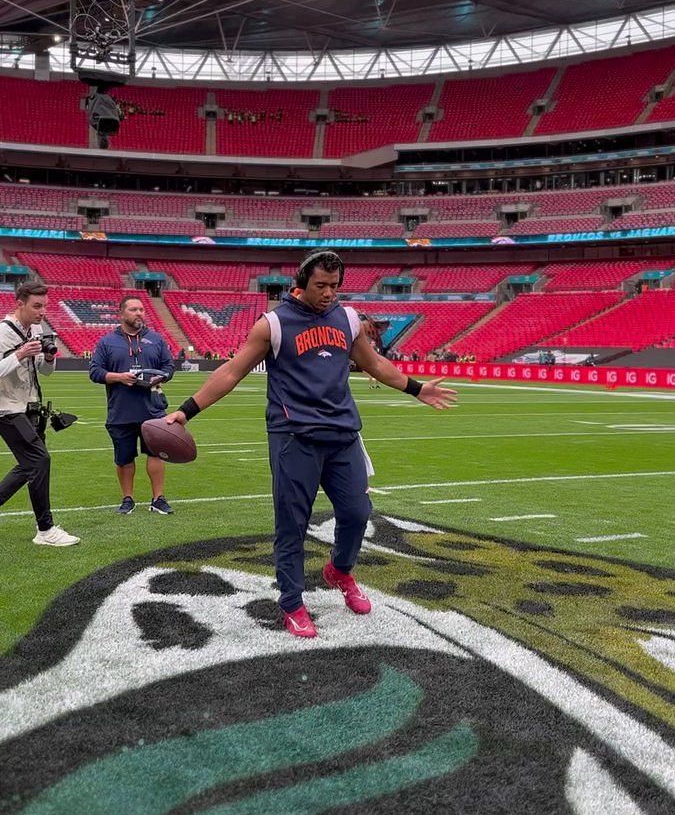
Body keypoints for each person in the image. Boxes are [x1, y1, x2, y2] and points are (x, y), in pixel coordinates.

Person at [166, 249, 456, 639]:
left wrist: (416, 388)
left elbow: (374, 364)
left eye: (335, 286)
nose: (329, 293)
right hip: (293, 438)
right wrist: (186, 411)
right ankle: (292, 602)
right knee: (292, 525)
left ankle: (340, 570)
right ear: (300, 285)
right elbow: (232, 371)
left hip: (342, 435)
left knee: (357, 513)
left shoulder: (348, 319)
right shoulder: (273, 324)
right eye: (321, 285)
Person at [0, 280, 79, 546]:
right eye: (36, 306)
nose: (42, 311)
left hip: (30, 407)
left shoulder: (36, 328)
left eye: (45, 306)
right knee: (39, 460)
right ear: (19, 303)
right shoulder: (3, 332)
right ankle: (45, 530)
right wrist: (20, 354)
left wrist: (48, 357)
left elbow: (46, 372)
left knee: (29, 465)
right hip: (7, 409)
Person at [89, 295, 175, 516]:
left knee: (156, 454)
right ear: (121, 313)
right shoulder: (106, 342)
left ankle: (158, 498)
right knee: (124, 458)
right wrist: (119, 377)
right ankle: (128, 498)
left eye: (142, 310)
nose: (139, 313)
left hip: (153, 408)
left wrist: (161, 377)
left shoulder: (156, 339)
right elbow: (95, 372)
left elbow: (169, 366)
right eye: (134, 310)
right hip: (121, 410)